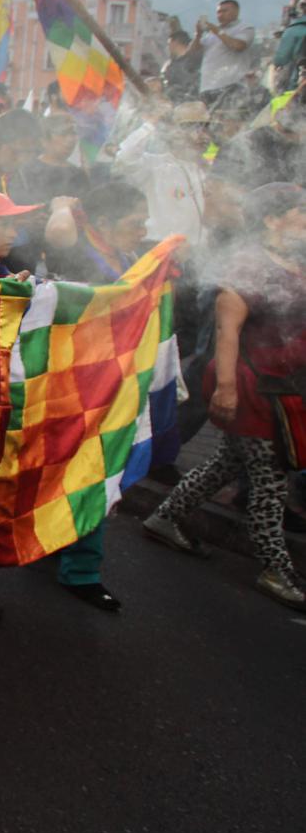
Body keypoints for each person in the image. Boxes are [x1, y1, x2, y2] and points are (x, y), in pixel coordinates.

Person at [142, 183, 306, 610]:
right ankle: (276, 569)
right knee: (270, 481)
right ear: (272, 219)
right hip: (253, 387)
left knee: (227, 464)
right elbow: (227, 332)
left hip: (280, 386)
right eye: (299, 211)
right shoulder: (248, 266)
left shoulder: (295, 261)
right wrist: (228, 389)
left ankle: (164, 517)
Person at [112, 101, 213, 246]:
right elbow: (124, 157)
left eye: (206, 128)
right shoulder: (153, 165)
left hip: (196, 254)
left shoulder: (205, 171)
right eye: (194, 128)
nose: (202, 136)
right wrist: (151, 124)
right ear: (176, 132)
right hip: (160, 250)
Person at [9, 113, 88, 203]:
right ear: (44, 140)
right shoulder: (27, 171)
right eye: (63, 134)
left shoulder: (78, 174)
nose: (70, 139)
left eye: (73, 134)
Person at [196, 0, 255, 112]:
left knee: (228, 121)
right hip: (207, 87)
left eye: (224, 11)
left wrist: (217, 31)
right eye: (218, 12)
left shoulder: (245, 28)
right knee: (207, 124)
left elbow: (238, 46)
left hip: (230, 85)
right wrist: (198, 35)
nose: (220, 15)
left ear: (236, 12)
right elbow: (192, 53)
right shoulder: (210, 34)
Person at [163, 29, 203, 103]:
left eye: (169, 44)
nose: (168, 47)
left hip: (190, 101)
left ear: (174, 43)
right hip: (173, 103)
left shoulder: (193, 58)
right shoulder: (171, 64)